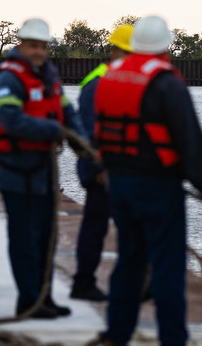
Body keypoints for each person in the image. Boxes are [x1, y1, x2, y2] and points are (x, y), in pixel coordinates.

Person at [96, 15, 202, 346]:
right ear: (166, 46)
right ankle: (173, 340)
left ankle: (116, 335)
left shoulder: (110, 77)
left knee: (128, 263)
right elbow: (190, 139)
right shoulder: (166, 83)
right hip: (158, 188)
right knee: (168, 269)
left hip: (120, 185)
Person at [0, 17, 88, 319]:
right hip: (15, 170)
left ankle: (43, 296)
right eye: (33, 45)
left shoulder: (49, 77)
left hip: (43, 170)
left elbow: (67, 112)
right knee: (24, 238)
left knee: (47, 236)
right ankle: (28, 301)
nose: (38, 52)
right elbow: (11, 120)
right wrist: (52, 130)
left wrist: (81, 141)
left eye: (43, 46)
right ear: (21, 44)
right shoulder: (8, 78)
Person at [69, 24, 134, 302]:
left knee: (133, 230)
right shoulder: (98, 83)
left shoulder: (127, 79)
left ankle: (133, 283)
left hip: (124, 170)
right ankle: (84, 283)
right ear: (114, 51)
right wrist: (100, 170)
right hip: (102, 172)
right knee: (96, 228)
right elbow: (89, 132)